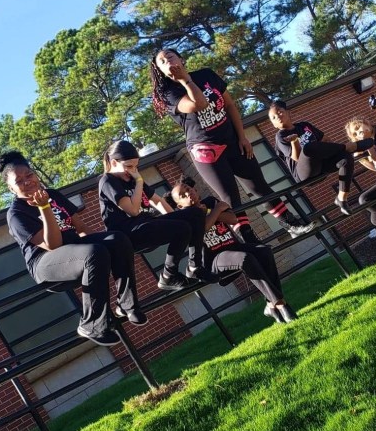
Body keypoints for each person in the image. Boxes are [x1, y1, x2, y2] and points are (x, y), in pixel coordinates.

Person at [150, 49, 313, 239]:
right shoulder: (169, 93)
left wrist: (242, 137)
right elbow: (199, 103)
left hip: (233, 141)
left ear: (181, 59)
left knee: (259, 186)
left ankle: (291, 224)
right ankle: (249, 239)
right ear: (161, 71)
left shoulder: (206, 75)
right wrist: (185, 80)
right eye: (162, 61)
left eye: (170, 56)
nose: (167, 61)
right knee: (231, 198)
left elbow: (229, 105)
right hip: (207, 151)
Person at [0, 150, 147, 347]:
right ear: (11, 188)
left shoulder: (53, 195)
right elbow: (53, 245)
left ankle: (126, 305)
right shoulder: (16, 213)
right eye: (19, 181)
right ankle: (92, 324)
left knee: (117, 239)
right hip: (45, 264)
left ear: (35, 174)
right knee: (94, 253)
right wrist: (44, 208)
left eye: (29, 175)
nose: (27, 181)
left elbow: (81, 228)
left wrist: (106, 245)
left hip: (75, 249)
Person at [171, 176, 297, 323]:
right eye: (182, 195)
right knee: (245, 258)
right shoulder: (185, 217)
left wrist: (211, 210)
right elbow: (203, 228)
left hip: (234, 247)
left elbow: (233, 219)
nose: (188, 193)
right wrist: (217, 210)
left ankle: (270, 304)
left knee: (264, 251)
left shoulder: (210, 202)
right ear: (180, 205)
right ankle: (281, 305)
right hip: (215, 259)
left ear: (194, 189)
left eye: (188, 189)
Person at [98, 140, 210, 290]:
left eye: (136, 166)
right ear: (114, 163)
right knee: (182, 228)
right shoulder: (108, 181)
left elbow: (157, 201)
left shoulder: (132, 178)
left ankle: (195, 267)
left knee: (195, 214)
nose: (133, 170)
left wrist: (178, 218)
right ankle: (169, 276)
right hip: (130, 233)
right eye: (129, 166)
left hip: (147, 223)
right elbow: (133, 210)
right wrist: (139, 181)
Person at [268, 99, 374, 215]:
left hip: (321, 165)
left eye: (279, 112)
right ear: (274, 124)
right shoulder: (281, 136)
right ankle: (349, 146)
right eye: (273, 117)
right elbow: (297, 158)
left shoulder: (304, 125)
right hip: (304, 174)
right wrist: (294, 142)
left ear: (289, 112)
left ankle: (342, 198)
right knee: (309, 148)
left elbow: (325, 140)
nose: (277, 117)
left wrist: (333, 153)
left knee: (346, 157)